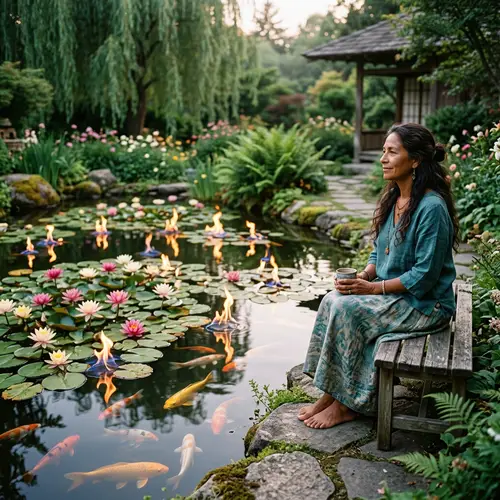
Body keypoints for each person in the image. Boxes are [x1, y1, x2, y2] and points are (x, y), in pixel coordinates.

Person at [299, 123, 458, 429]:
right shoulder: (394, 199)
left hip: (426, 305)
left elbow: (424, 277)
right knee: (333, 299)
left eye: (391, 151)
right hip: (398, 296)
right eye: (383, 151)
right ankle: (331, 393)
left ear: (414, 160)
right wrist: (363, 274)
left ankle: (347, 405)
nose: (383, 158)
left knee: (348, 309)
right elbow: (378, 251)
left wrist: (371, 290)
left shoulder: (431, 208)